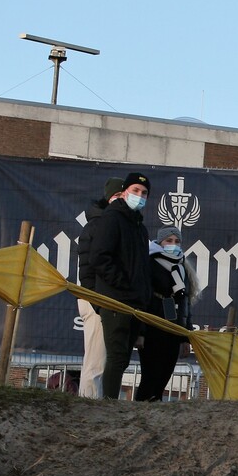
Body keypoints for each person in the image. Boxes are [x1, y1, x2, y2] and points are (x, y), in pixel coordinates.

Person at [90, 171, 153, 399]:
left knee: (124, 358)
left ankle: (110, 403)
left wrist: (142, 295)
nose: (140, 195)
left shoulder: (140, 228)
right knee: (116, 356)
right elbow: (99, 257)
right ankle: (109, 405)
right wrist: (122, 284)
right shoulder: (112, 218)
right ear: (124, 192)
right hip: (116, 300)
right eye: (135, 190)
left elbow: (142, 268)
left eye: (144, 193)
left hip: (135, 303)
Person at [134, 226, 198, 401]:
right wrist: (140, 332)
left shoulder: (182, 266)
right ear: (160, 242)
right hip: (152, 323)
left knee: (165, 373)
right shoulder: (150, 261)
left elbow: (186, 303)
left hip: (173, 325)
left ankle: (155, 406)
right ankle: (140, 409)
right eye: (169, 241)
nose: (173, 245)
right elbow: (142, 297)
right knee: (150, 375)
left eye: (177, 241)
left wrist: (186, 336)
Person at [76, 176, 124, 399]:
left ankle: (98, 409)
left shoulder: (117, 226)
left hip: (108, 299)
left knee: (105, 362)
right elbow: (87, 268)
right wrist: (97, 302)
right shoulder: (97, 226)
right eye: (119, 196)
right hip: (97, 298)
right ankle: (87, 412)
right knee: (96, 362)